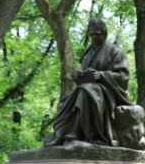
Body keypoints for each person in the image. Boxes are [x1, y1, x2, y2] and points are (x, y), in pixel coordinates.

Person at [46, 18, 131, 147]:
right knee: (66, 99)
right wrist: (79, 75)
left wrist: (102, 75)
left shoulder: (115, 51)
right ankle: (61, 134)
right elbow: (84, 73)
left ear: (104, 34)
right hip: (88, 87)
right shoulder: (88, 52)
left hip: (108, 91)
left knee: (85, 92)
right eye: (91, 34)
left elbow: (123, 76)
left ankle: (75, 133)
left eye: (97, 34)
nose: (94, 37)